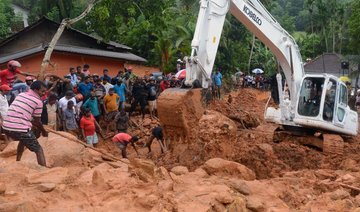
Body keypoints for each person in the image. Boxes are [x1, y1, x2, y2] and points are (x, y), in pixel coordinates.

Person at [2, 80, 48, 166]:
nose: (44, 93)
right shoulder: (38, 102)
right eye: (42, 91)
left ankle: (18, 161)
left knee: (23, 139)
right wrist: (44, 131)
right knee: (39, 150)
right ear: (35, 90)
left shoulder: (21, 95)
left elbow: (20, 111)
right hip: (19, 128)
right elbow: (37, 122)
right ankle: (44, 172)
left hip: (6, 127)